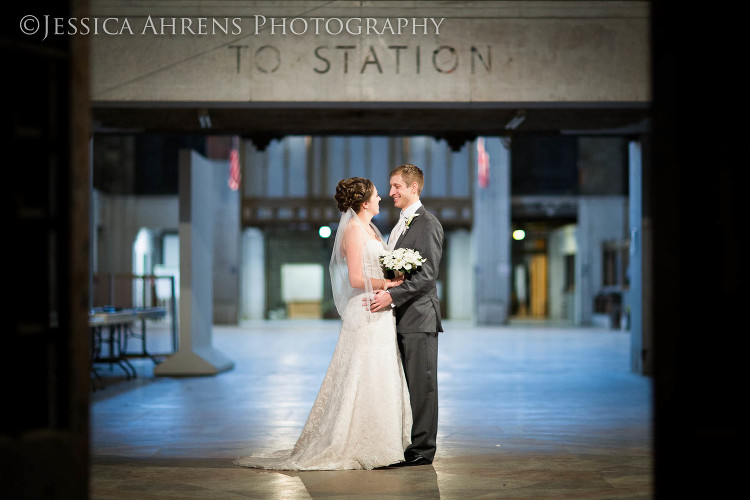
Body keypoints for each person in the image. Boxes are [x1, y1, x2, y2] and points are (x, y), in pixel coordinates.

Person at [234, 177, 412, 470]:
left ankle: (385, 437)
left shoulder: (370, 228)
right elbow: (356, 278)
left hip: (379, 309)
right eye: (377, 196)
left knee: (380, 370)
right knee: (361, 371)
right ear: (364, 202)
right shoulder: (354, 231)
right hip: (365, 308)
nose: (382, 199)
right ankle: (358, 440)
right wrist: (391, 282)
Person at [369, 164, 444, 467]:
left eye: (397, 186)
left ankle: (423, 451)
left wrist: (391, 295)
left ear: (414, 187)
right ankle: (408, 444)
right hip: (401, 319)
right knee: (406, 387)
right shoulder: (402, 224)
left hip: (419, 319)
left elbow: (427, 275)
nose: (391, 193)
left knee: (423, 386)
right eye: (390, 187)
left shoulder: (427, 224)